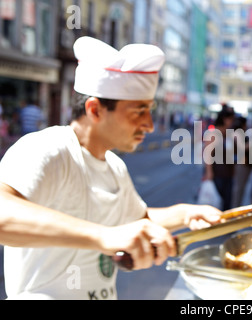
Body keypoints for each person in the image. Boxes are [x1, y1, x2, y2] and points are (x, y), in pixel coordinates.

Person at [0, 37, 222, 300]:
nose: (150, 125)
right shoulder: (49, 148)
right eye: (139, 111)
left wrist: (185, 214)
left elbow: (135, 221)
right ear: (95, 109)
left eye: (150, 110)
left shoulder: (114, 166)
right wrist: (104, 236)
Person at [203, 104, 235, 210]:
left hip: (228, 174)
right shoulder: (214, 134)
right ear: (225, 119)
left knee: (226, 205)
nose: (232, 122)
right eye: (231, 119)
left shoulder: (228, 134)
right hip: (217, 175)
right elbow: (207, 154)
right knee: (215, 205)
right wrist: (209, 172)